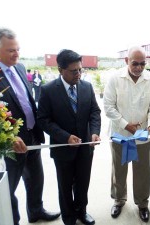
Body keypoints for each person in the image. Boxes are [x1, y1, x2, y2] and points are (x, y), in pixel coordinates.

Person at [0, 28, 60, 225]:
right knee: (8, 188)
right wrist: (8, 137)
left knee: (35, 180)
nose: (16, 54)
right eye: (11, 50)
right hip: (11, 144)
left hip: (32, 136)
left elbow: (28, 102)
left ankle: (36, 211)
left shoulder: (20, 68)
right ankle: (11, 220)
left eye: (18, 49)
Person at [37, 49, 101, 225]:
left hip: (86, 147)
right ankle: (69, 217)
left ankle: (82, 211)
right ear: (60, 70)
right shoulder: (48, 90)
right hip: (62, 149)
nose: (78, 74)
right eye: (74, 71)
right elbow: (43, 120)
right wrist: (65, 137)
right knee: (64, 186)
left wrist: (95, 132)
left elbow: (95, 112)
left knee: (82, 183)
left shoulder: (87, 87)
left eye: (81, 70)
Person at [103, 46, 150, 222]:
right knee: (119, 169)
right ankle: (119, 200)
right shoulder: (115, 78)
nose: (138, 67)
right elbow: (108, 107)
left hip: (141, 134)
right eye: (135, 63)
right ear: (126, 61)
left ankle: (142, 204)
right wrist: (125, 124)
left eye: (142, 64)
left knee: (142, 171)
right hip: (120, 133)